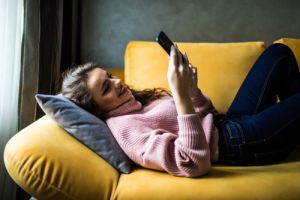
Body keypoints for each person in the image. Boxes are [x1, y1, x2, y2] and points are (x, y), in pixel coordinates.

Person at [60, 43, 300, 177]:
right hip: (237, 143)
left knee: (279, 54)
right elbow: (193, 162)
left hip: (227, 124)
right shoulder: (125, 130)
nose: (117, 82)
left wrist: (192, 91)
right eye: (106, 88)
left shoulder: (136, 102)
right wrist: (181, 95)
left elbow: (208, 114)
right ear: (98, 110)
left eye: (110, 76)